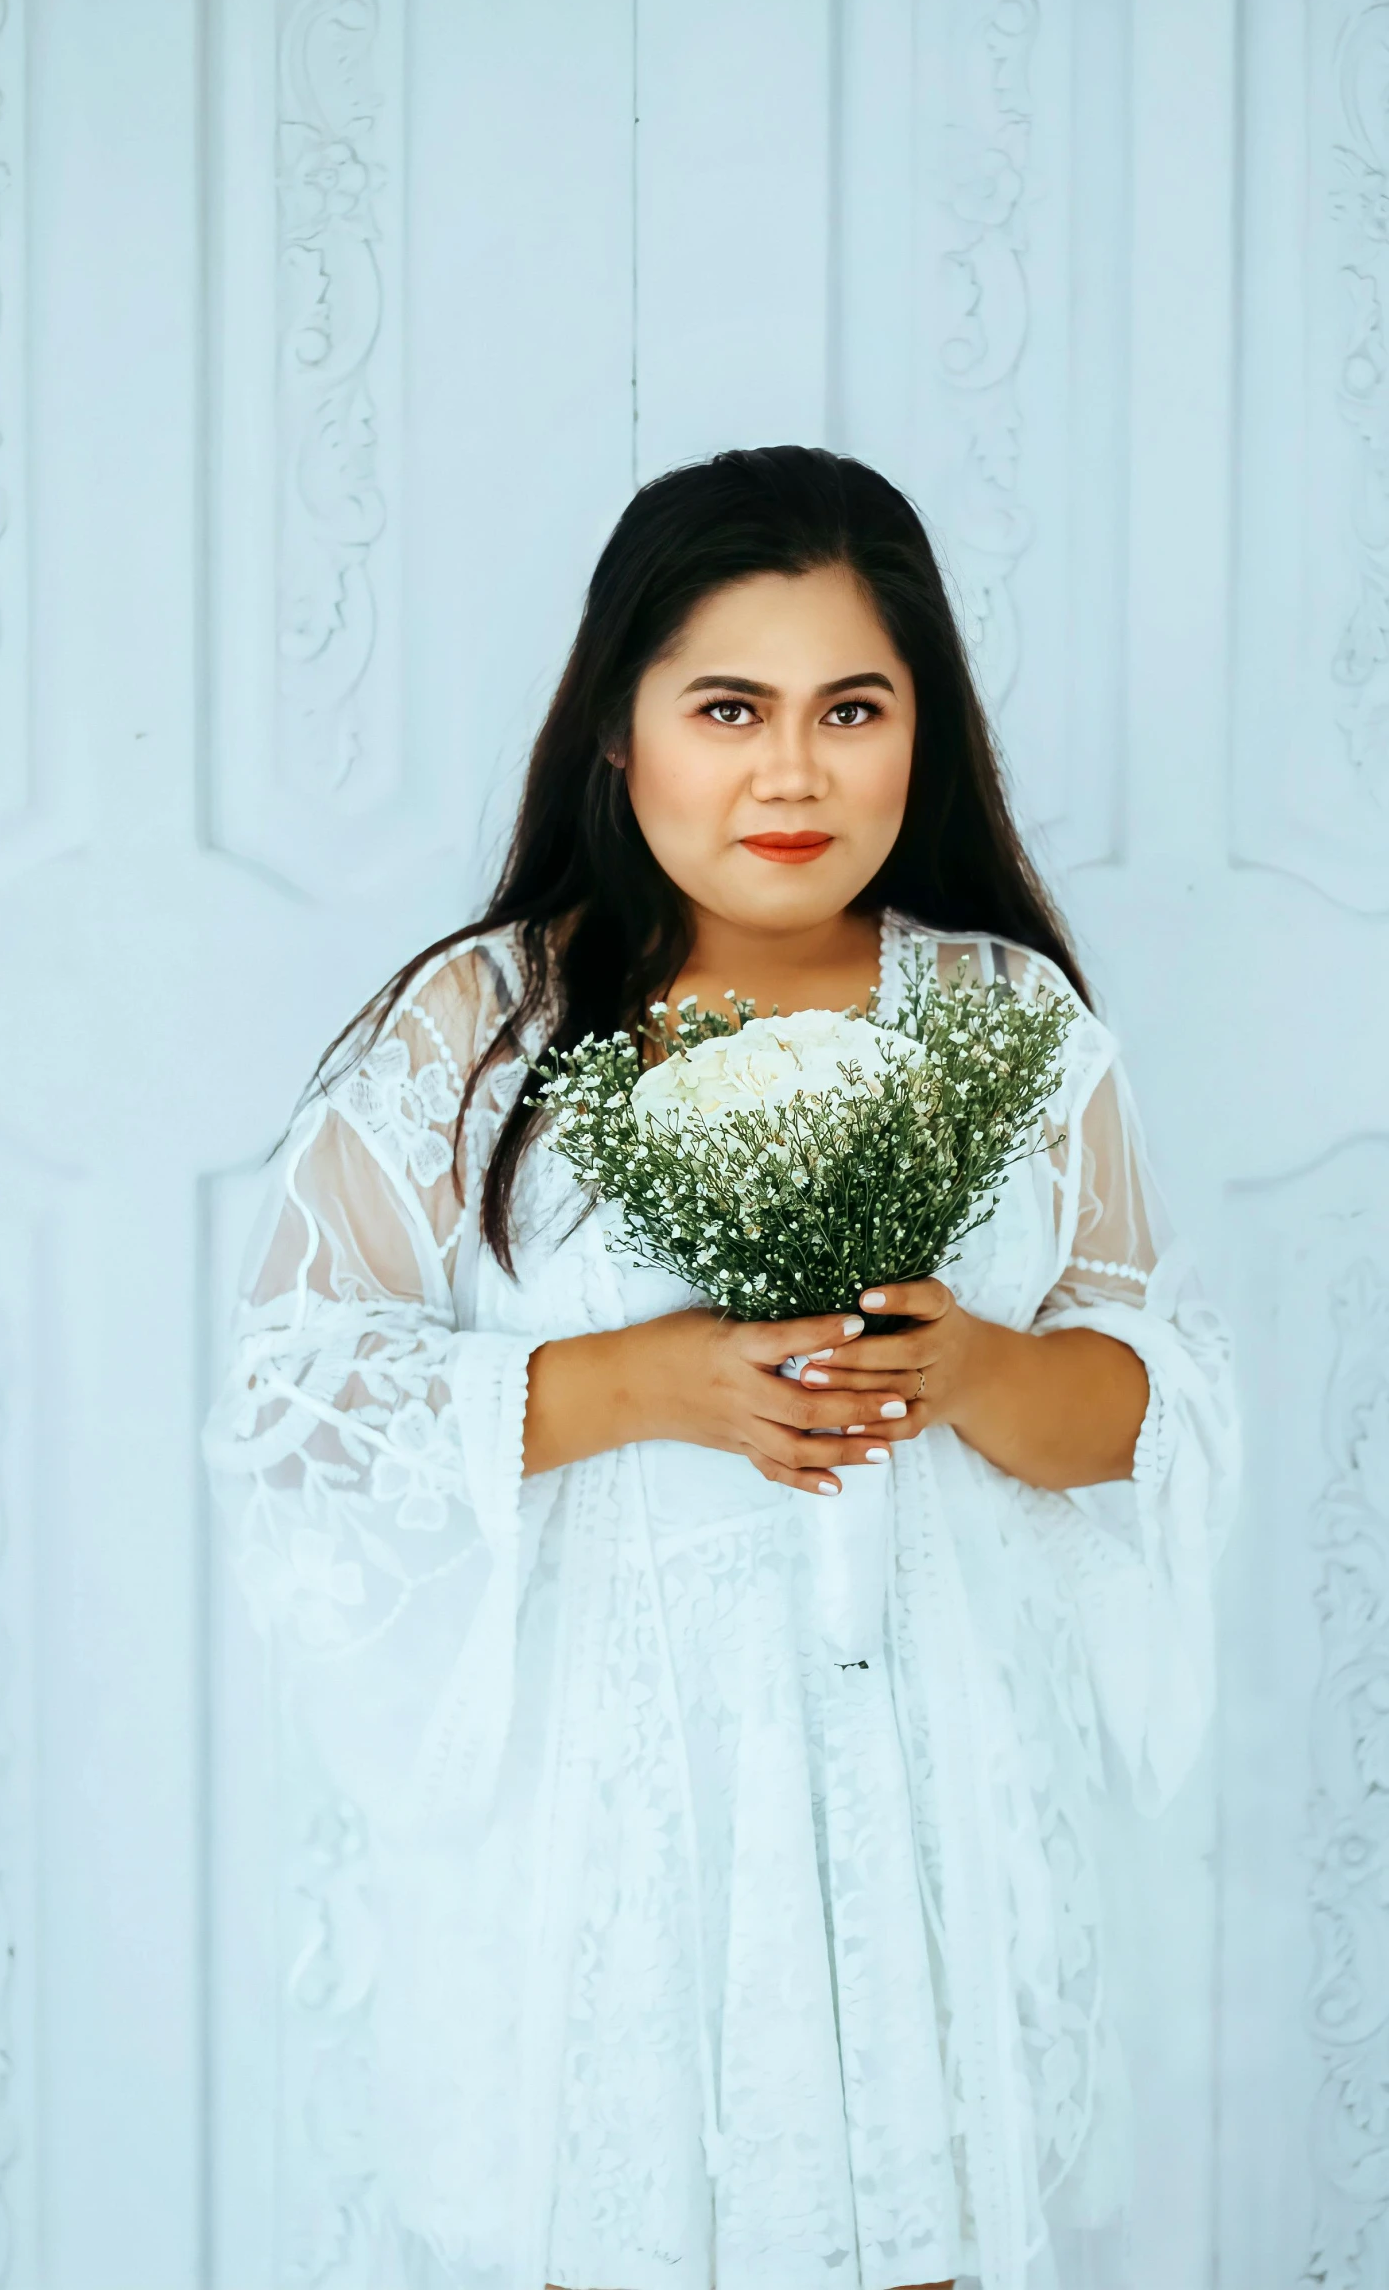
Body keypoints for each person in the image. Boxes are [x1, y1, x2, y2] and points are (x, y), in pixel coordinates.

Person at [202, 446, 1240, 2290]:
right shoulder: (483, 1027)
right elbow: (289, 1401)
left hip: (927, 1806)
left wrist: (974, 1369)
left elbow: (1150, 1411)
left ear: (923, 729)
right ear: (620, 728)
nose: (790, 771)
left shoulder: (1008, 1024)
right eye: (728, 706)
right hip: (616, 1821)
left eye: (851, 706)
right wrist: (630, 1383)